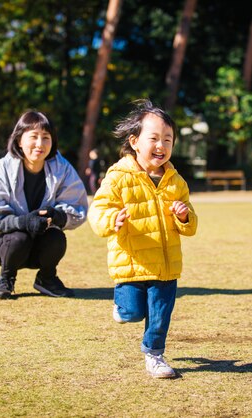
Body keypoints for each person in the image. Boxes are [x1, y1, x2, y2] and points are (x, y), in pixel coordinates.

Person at [88, 99, 198, 378]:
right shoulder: (118, 177)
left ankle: (154, 354)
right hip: (131, 263)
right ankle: (122, 307)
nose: (161, 145)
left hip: (165, 265)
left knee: (160, 316)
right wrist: (113, 220)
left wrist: (184, 216)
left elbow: (190, 224)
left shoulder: (176, 181)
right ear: (135, 141)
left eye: (168, 139)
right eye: (154, 138)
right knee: (132, 313)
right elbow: (98, 210)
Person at [0, 110, 88, 299]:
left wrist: (57, 215)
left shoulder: (62, 168)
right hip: (6, 245)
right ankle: (6, 278)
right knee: (19, 237)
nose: (40, 144)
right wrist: (23, 222)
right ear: (19, 140)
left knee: (56, 238)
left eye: (46, 137)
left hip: (41, 243)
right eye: (33, 136)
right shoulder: (1, 169)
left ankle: (47, 278)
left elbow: (77, 206)